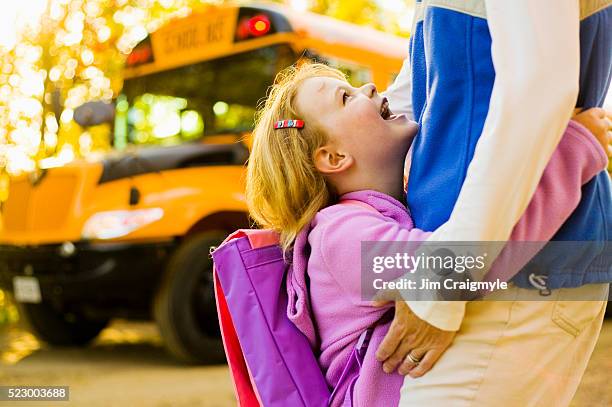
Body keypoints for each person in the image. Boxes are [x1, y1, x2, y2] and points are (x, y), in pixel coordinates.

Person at [244, 62, 610, 406]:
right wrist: (575, 150)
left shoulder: (378, 217)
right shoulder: (340, 238)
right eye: (345, 97)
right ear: (334, 158)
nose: (369, 87)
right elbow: (466, 266)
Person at [377, 0, 612, 405]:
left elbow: (539, 83)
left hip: (514, 270)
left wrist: (440, 286)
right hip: (492, 265)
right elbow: (408, 102)